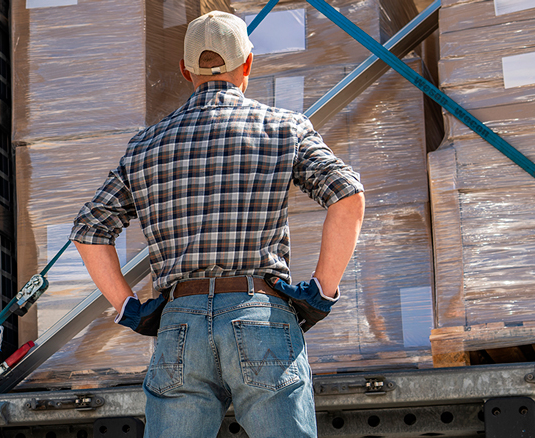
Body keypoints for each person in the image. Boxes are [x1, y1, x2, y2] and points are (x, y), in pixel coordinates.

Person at [68, 10, 366, 437]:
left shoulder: (144, 146)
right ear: (248, 64)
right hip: (260, 314)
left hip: (179, 321)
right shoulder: (284, 129)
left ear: (185, 70)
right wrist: (322, 290)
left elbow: (89, 231)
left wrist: (128, 306)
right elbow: (347, 195)